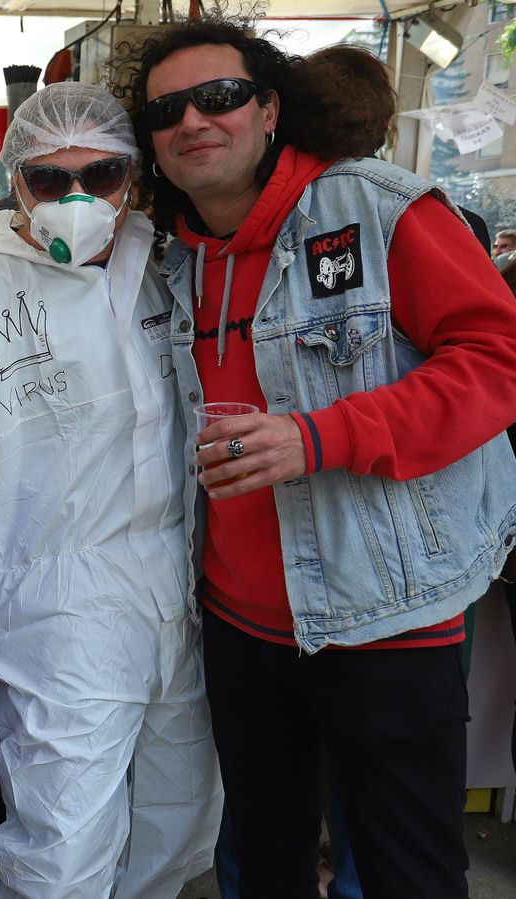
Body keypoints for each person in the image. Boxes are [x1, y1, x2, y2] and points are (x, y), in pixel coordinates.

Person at [113, 14, 516, 897]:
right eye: (167, 109)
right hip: (238, 625)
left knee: (410, 872)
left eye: (218, 97)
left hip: (385, 618)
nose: (193, 121)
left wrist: (318, 435)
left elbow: (496, 361)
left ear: (268, 109)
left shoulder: (377, 206)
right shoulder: (173, 255)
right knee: (265, 863)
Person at [0, 82, 221, 899]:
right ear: (16, 181)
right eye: (50, 179)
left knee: (178, 821)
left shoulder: (166, 265)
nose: (77, 198)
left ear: (134, 178)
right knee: (62, 841)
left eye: (102, 175)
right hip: (55, 605)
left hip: (174, 596)